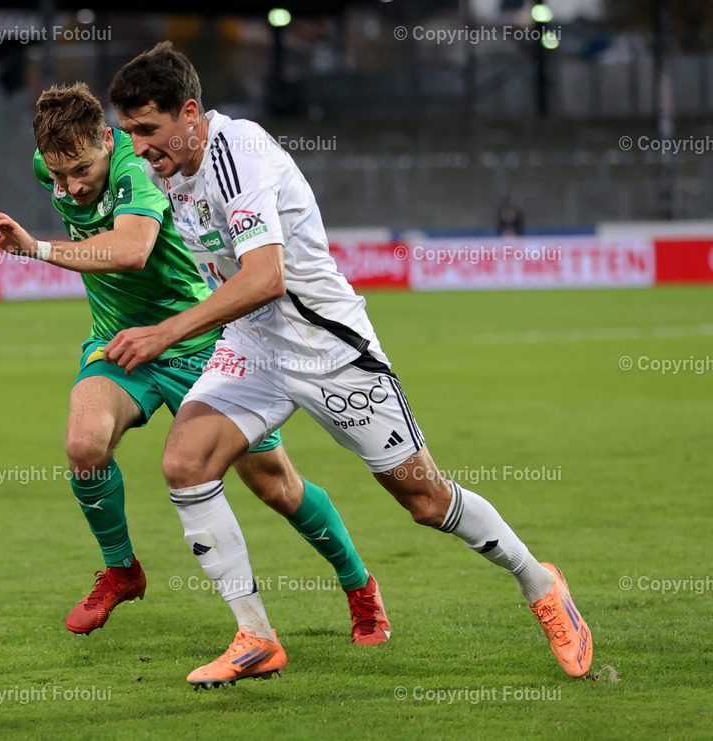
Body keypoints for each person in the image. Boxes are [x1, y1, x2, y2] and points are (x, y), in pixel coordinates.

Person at [105, 42, 593, 687]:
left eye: (147, 130)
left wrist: (164, 333)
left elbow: (266, 278)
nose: (138, 147)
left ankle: (541, 583)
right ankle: (255, 637)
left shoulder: (236, 154)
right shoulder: (173, 169)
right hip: (254, 348)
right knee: (184, 461)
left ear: (190, 113)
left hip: (331, 353)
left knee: (424, 498)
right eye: (130, 132)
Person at [0, 83, 389, 655]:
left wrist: (35, 248)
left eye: (79, 170)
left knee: (274, 484)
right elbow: (71, 188)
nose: (68, 186)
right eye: (57, 175)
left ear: (105, 139)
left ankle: (358, 585)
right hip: (119, 342)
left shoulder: (135, 172)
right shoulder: (56, 162)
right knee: (83, 445)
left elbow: (132, 251)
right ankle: (122, 571)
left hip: (200, 342)